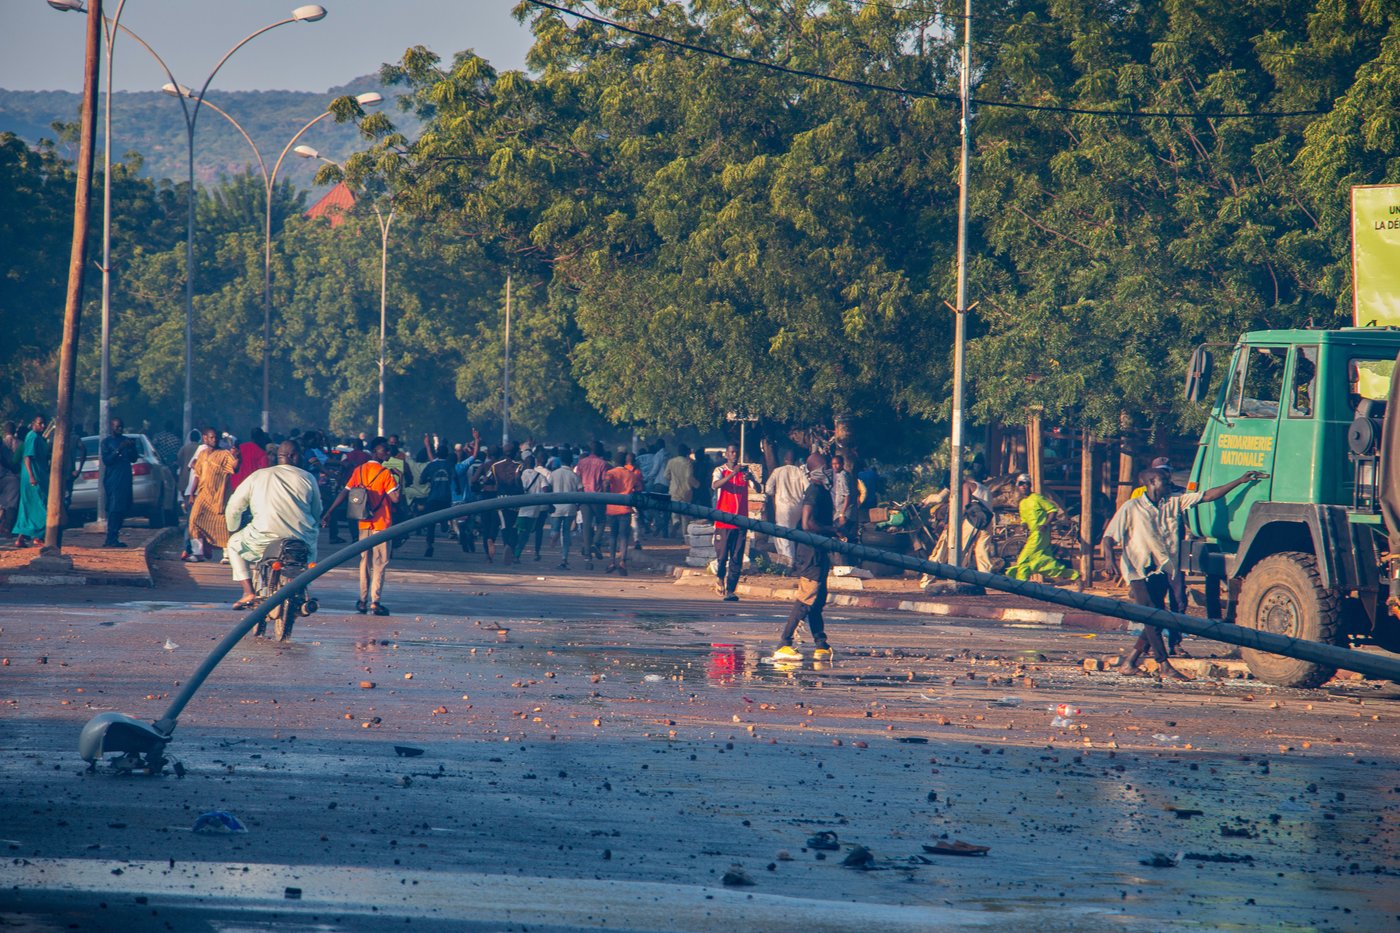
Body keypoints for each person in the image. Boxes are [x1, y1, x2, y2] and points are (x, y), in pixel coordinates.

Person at [1102, 468, 1265, 680]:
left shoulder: (1174, 502)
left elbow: (1208, 495)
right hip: (1138, 570)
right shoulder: (1132, 507)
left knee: (1157, 618)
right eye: (1164, 480)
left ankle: (1130, 662)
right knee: (1151, 615)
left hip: (1162, 569)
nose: (1169, 482)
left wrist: (1240, 480)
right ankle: (1163, 664)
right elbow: (1108, 537)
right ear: (1151, 482)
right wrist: (1108, 560)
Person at [225, 439, 322, 609]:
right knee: (312, 545)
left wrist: (233, 528)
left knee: (233, 544)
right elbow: (317, 510)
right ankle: (302, 586)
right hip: (300, 538)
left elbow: (234, 506)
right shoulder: (307, 477)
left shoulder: (258, 476)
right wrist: (314, 523)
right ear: (294, 456)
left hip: (263, 537)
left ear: (280, 456)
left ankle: (248, 592)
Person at [771, 454, 837, 662]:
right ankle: (784, 643)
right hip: (810, 555)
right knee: (806, 599)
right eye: (826, 467)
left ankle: (821, 643)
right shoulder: (814, 492)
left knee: (817, 600)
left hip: (819, 552)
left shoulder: (823, 492)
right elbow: (807, 523)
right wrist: (832, 530)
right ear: (816, 471)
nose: (829, 471)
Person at [323, 437, 399, 615]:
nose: (388, 453)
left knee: (364, 562)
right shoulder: (386, 474)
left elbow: (345, 492)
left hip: (363, 522)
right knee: (379, 563)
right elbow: (396, 499)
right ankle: (375, 601)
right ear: (377, 453)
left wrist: (330, 511)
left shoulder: (360, 470)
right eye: (385, 451)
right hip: (382, 525)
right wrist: (399, 477)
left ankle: (362, 600)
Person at [1006, 474, 1079, 582]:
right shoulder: (1022, 503)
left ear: (1030, 485)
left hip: (1040, 533)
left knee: (1023, 558)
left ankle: (1020, 583)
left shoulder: (1037, 498)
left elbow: (1052, 510)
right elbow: (1024, 520)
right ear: (1018, 486)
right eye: (1021, 484)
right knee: (1040, 562)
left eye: (1026, 484)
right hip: (1033, 534)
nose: (1024, 486)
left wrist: (1045, 524)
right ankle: (1074, 575)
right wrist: (1023, 525)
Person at [712, 443, 761, 600]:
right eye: (731, 452)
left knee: (737, 557)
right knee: (722, 556)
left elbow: (759, 489)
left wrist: (751, 478)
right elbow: (715, 485)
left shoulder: (745, 471)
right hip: (723, 521)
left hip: (741, 521)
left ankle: (731, 590)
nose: (734, 455)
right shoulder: (720, 470)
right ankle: (720, 577)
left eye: (736, 453)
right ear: (726, 454)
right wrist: (733, 474)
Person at [186, 428, 240, 562]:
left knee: (222, 524)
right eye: (211, 437)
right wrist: (192, 493)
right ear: (205, 438)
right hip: (203, 495)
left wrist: (237, 456)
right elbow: (197, 475)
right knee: (194, 521)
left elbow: (234, 468)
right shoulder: (202, 454)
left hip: (219, 496)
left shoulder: (224, 454)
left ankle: (227, 554)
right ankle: (197, 553)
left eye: (216, 438)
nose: (214, 440)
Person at [764, 448, 808, 566]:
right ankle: (788, 561)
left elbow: (768, 489)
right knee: (791, 533)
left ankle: (788, 563)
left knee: (782, 535)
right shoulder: (800, 472)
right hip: (797, 507)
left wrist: (775, 494)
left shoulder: (777, 471)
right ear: (794, 460)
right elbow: (807, 488)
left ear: (785, 459)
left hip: (783, 507)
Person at [99, 417, 138, 548]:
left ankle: (115, 537)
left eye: (121, 426)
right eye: (117, 427)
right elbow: (107, 460)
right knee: (114, 508)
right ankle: (110, 537)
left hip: (125, 477)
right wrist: (119, 450)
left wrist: (132, 448)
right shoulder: (107, 442)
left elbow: (134, 459)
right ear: (112, 427)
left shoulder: (125, 440)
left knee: (123, 508)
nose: (119, 429)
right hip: (113, 479)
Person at [604, 449, 643, 574]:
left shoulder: (610, 472)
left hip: (611, 508)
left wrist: (607, 494)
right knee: (624, 536)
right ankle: (622, 562)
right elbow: (638, 488)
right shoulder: (631, 474)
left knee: (613, 536)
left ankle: (611, 562)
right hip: (625, 508)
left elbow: (605, 484)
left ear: (615, 461)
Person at [12, 415, 49, 547]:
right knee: (40, 506)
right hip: (33, 477)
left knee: (28, 507)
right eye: (40, 423)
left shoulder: (40, 438)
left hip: (40, 476)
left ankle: (21, 538)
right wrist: (32, 477)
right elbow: (27, 458)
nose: (43, 426)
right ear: (33, 423)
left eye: (44, 423)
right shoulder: (32, 437)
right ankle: (38, 537)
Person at [416, 437, 455, 558]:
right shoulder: (450, 465)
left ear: (437, 454)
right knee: (445, 516)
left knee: (430, 523)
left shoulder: (431, 466)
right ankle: (444, 524)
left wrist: (428, 480)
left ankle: (429, 544)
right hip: (446, 498)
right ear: (448, 455)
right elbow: (456, 481)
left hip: (433, 497)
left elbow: (421, 480)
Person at [513, 453, 552, 561]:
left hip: (520, 509)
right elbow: (546, 490)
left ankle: (513, 551)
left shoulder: (520, 475)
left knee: (517, 531)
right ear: (535, 463)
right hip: (535, 510)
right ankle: (517, 554)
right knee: (525, 534)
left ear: (525, 464)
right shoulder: (540, 476)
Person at [574, 441, 608, 562]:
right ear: (599, 450)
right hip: (598, 497)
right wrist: (606, 496)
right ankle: (596, 542)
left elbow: (577, 480)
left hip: (584, 497)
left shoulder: (581, 463)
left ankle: (587, 553)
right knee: (601, 522)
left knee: (587, 525)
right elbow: (605, 482)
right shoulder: (603, 463)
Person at [549, 452, 582, 568]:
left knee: (555, 528)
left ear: (561, 461)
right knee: (566, 533)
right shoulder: (574, 476)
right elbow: (581, 491)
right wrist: (578, 505)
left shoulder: (553, 474)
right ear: (571, 462)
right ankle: (564, 558)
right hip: (570, 507)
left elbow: (548, 489)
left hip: (556, 507)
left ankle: (554, 535)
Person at [664, 444, 700, 536]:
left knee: (674, 510)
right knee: (685, 515)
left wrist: (673, 479)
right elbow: (689, 477)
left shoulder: (671, 462)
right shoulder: (688, 463)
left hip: (674, 490)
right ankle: (684, 535)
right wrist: (697, 485)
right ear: (686, 452)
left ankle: (675, 521)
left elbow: (666, 475)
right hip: (686, 491)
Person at [830, 454, 858, 545]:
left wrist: (842, 514)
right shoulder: (842, 475)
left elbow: (847, 495)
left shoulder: (843, 476)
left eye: (837, 464)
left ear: (842, 464)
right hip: (843, 511)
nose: (835, 466)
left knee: (838, 532)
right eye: (833, 464)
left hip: (845, 512)